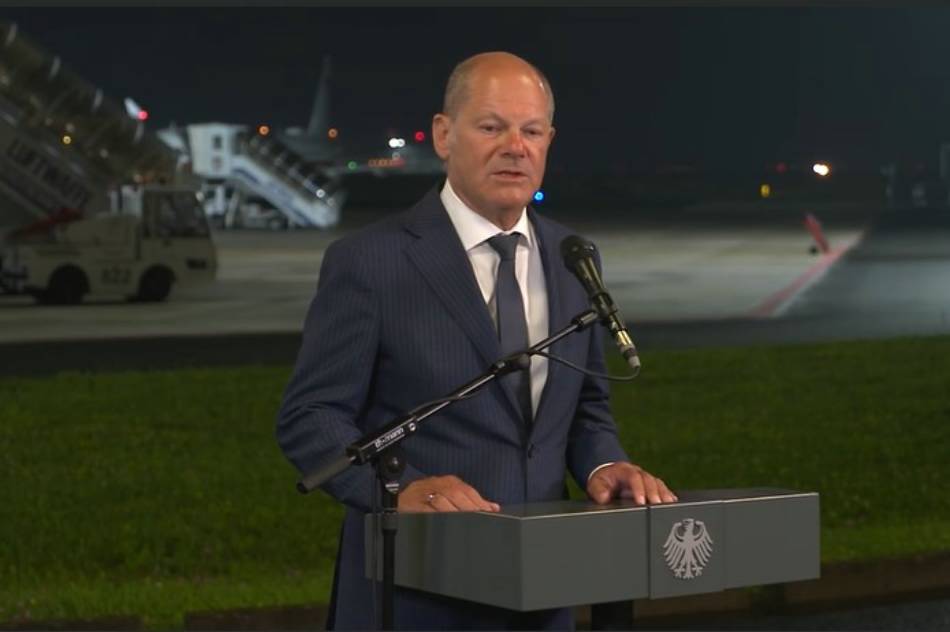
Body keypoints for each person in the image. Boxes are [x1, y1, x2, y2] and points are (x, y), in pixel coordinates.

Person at [277, 51, 677, 630]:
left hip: (544, 590)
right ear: (444, 134)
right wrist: (401, 492)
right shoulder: (371, 262)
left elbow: (585, 408)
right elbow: (310, 416)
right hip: (416, 592)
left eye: (531, 130)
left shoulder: (573, 258)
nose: (515, 146)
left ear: (548, 142)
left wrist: (603, 463)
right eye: (491, 126)